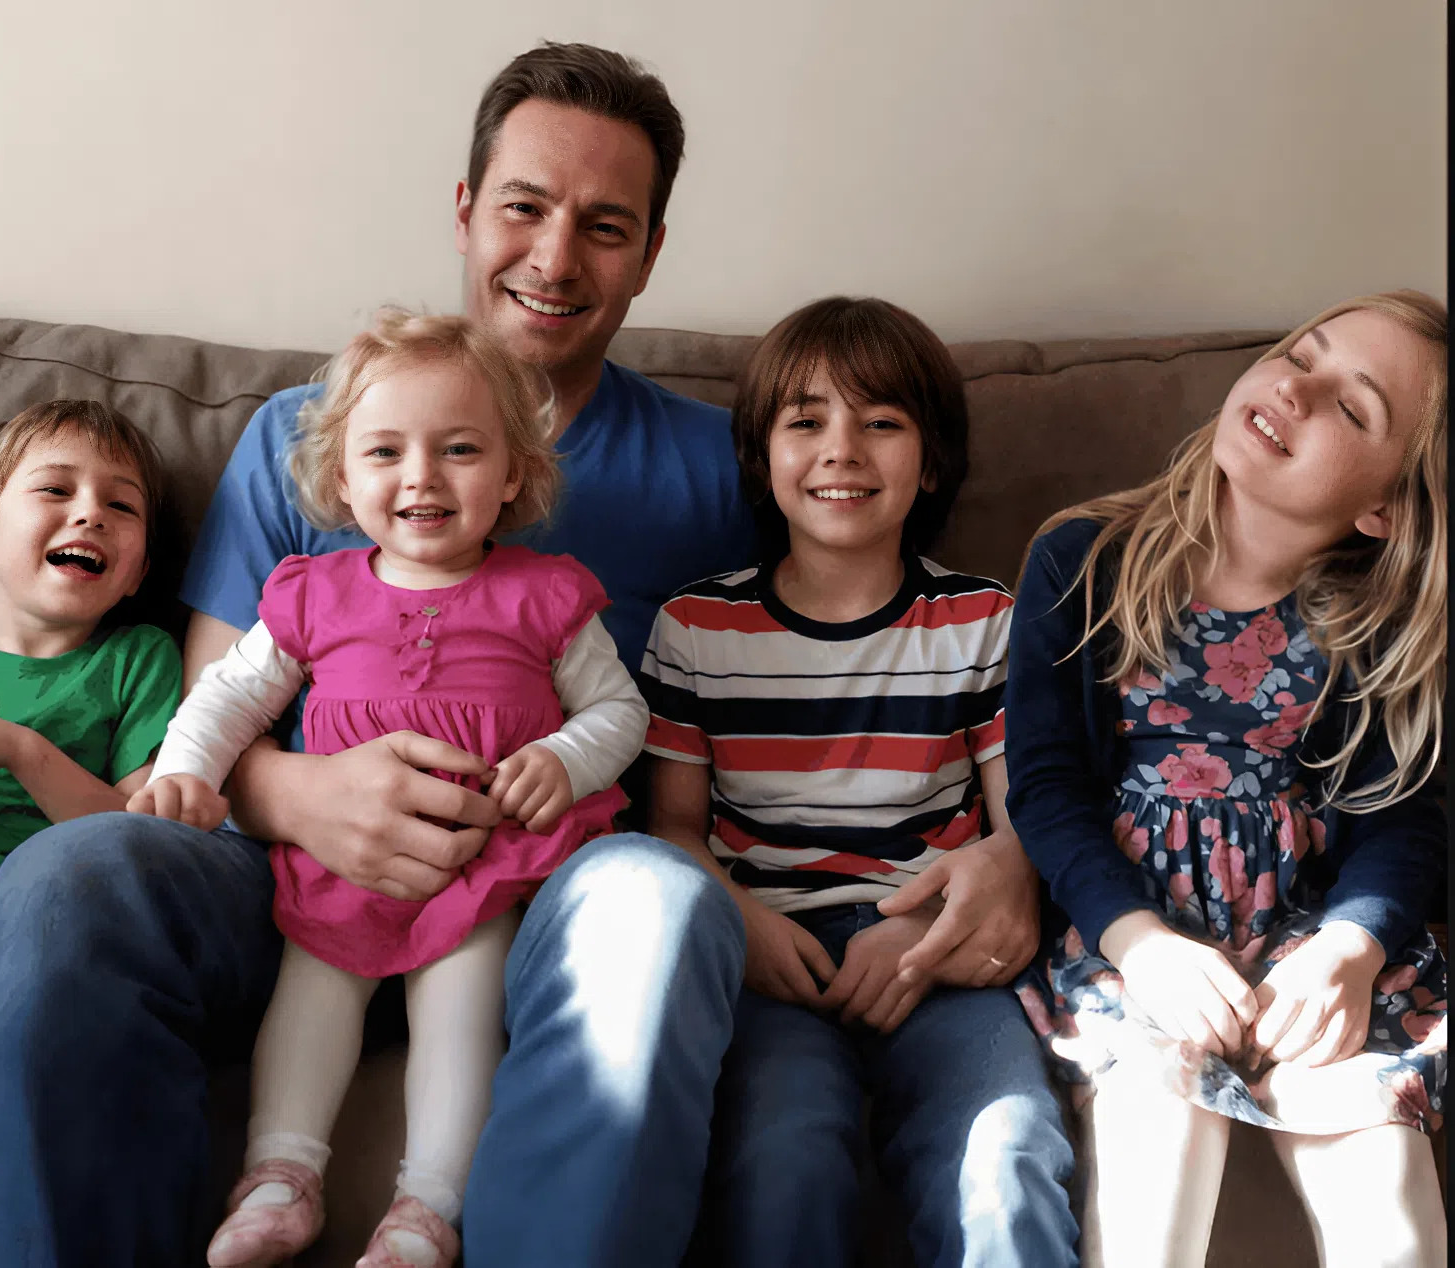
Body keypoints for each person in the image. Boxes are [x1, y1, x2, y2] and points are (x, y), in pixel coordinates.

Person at [0, 43, 759, 1268]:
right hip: (279, 879)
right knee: (70, 873)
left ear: (650, 251)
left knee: (659, 903)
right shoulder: (308, 434)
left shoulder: (722, 465)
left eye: (604, 226)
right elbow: (215, 697)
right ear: (465, 210)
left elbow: (829, 663)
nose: (555, 258)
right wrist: (302, 797)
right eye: (524, 207)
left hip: (540, 876)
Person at [132, 311, 649, 1268]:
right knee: (311, 991)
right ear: (340, 478)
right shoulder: (312, 593)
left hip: (482, 858)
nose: (422, 476)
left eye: (460, 449)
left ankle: (427, 1209)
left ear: (513, 474)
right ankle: (279, 1180)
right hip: (340, 859)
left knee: (463, 1000)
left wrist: (564, 760)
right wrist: (184, 773)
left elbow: (621, 712)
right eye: (385, 451)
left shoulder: (545, 595)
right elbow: (230, 696)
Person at [1004, 290, 1447, 1267]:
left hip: (1310, 943)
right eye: (1302, 354)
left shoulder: (1373, 627)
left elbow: (1404, 817)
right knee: (1156, 1164)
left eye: (1350, 407)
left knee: (1391, 1210)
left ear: (1382, 508)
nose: (1296, 388)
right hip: (1129, 939)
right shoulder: (1081, 561)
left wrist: (1350, 949)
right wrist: (1141, 944)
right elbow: (1043, 785)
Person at [642, 297, 1080, 1267]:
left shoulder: (982, 620)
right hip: (771, 962)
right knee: (784, 1156)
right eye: (806, 422)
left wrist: (930, 937)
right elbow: (672, 826)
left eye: (880, 422)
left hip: (937, 952)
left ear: (931, 462)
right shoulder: (695, 628)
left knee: (1007, 1151)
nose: (841, 449)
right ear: (761, 457)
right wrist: (743, 928)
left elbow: (1023, 826)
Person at [0, 402, 180, 1258]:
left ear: (138, 568)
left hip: (3, 928)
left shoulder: (137, 659)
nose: (89, 515)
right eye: (55, 490)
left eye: (121, 505)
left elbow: (131, 833)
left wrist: (12, 746)